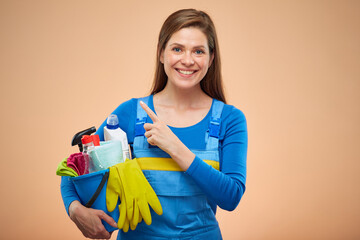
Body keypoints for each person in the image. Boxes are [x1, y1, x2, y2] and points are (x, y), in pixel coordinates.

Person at [60, 8, 247, 239]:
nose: (187, 60)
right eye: (177, 49)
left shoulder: (230, 119)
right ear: (161, 53)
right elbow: (73, 170)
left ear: (211, 58)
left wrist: (175, 147)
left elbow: (231, 197)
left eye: (198, 51)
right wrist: (75, 210)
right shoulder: (130, 114)